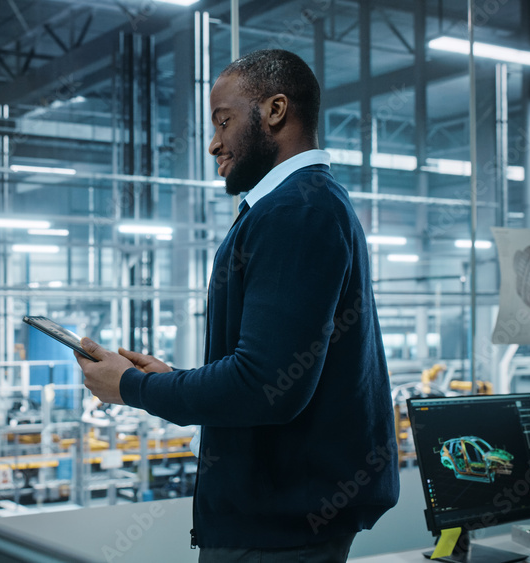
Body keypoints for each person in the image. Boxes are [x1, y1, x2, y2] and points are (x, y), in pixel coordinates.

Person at [74, 49, 399, 563]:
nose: (213, 142)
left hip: (280, 532)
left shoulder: (297, 210)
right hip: (281, 522)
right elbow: (270, 368)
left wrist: (134, 386)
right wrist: (170, 377)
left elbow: (267, 387)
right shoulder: (300, 204)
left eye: (224, 121)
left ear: (275, 111)